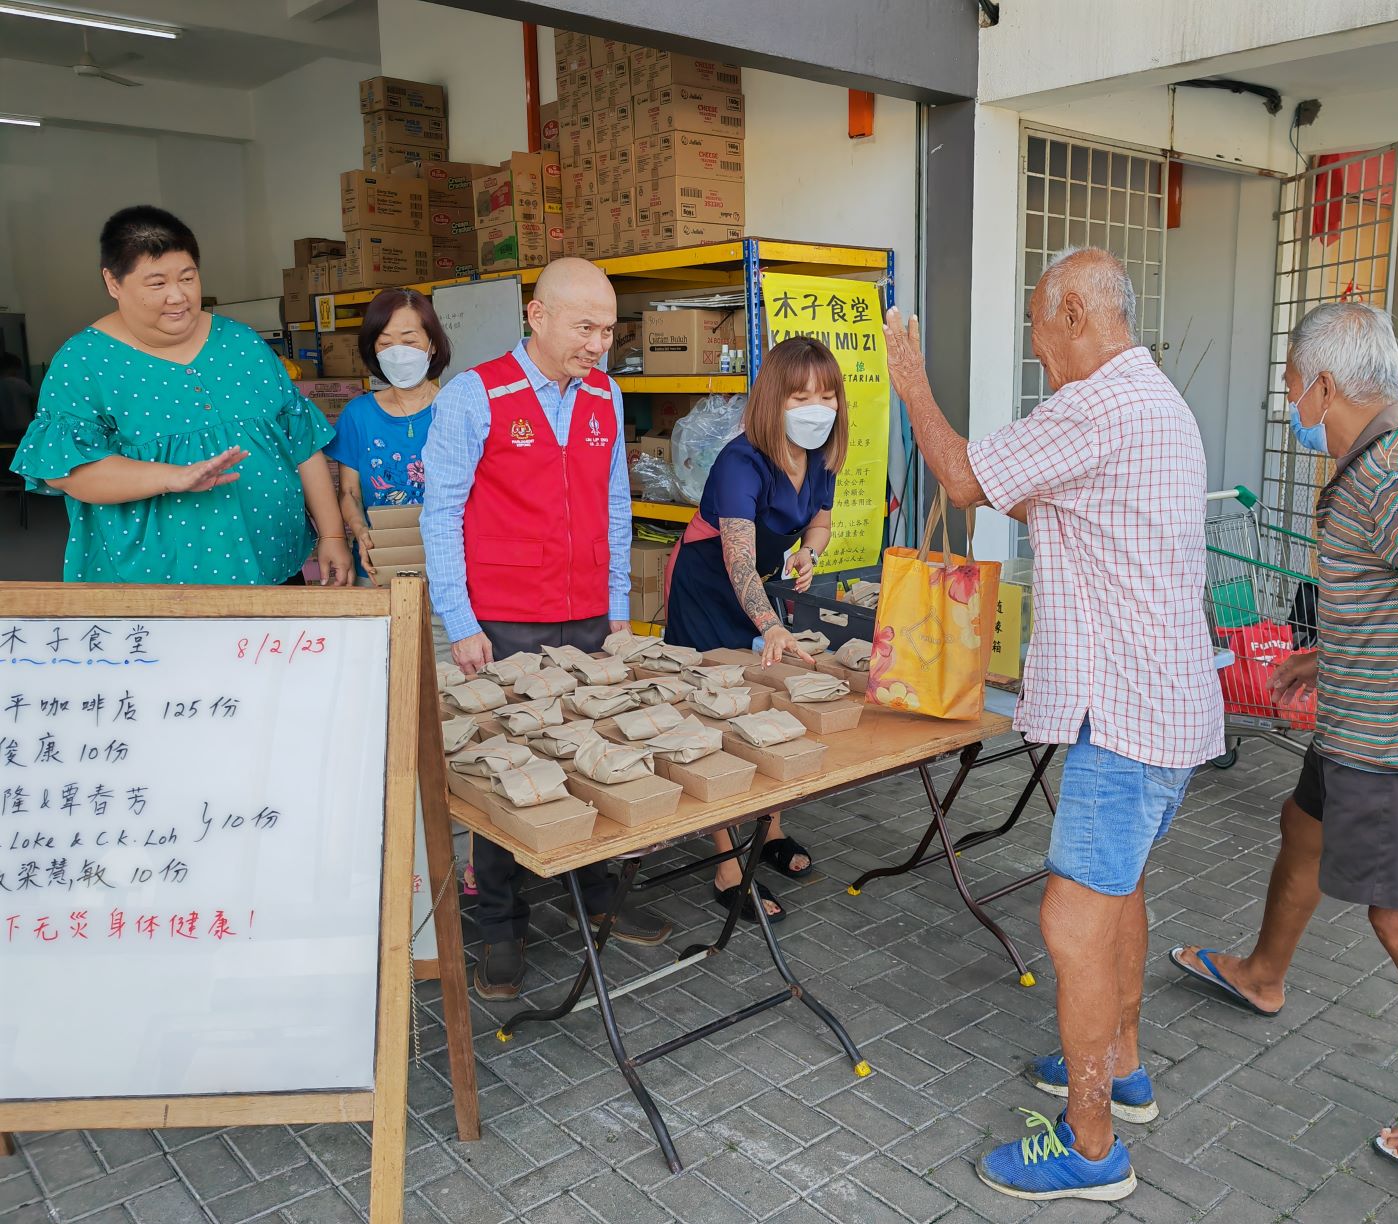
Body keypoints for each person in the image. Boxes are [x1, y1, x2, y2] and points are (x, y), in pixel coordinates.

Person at [1170, 302, 1398, 1192]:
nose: (1290, 400)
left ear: (1325, 385)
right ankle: (1263, 973)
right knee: (1302, 825)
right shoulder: (1376, 460)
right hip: (1354, 723)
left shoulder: (1391, 475)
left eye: (1292, 385)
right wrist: (1323, 651)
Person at [882, 248, 1224, 1203]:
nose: (1036, 353)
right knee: (1116, 894)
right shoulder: (1151, 398)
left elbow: (958, 477)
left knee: (1071, 921)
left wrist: (909, 378)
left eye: (1038, 328)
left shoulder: (1097, 404)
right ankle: (1122, 1065)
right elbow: (1046, 495)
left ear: (1075, 313)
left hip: (1124, 716)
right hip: (1165, 706)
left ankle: (1090, 1144)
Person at [422, 257, 670, 1001]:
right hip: (502, 622)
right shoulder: (475, 396)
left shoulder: (606, 394)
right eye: (585, 326)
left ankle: (597, 896)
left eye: (608, 328)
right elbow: (442, 514)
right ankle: (500, 925)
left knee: (596, 758)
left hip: (588, 617)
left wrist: (619, 606)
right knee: (505, 775)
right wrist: (460, 621)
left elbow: (616, 504)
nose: (600, 342)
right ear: (537, 315)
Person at [8, 205, 350, 586]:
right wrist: (172, 477)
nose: (178, 296)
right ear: (113, 283)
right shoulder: (84, 363)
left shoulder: (242, 343)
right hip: (155, 585)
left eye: (188, 278)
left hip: (273, 567)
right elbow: (70, 473)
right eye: (157, 284)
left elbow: (300, 442)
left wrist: (332, 534)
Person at [665, 335, 845, 920]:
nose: (816, 408)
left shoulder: (818, 457)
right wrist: (770, 626)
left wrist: (808, 556)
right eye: (800, 396)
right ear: (773, 400)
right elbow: (738, 559)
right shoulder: (740, 462)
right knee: (714, 718)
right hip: (706, 589)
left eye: (826, 396)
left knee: (767, 712)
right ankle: (725, 863)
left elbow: (819, 518)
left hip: (757, 593)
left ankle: (767, 831)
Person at [325, 288, 449, 578]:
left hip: (448, 569)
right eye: (385, 343)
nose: (399, 353)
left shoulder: (456, 408)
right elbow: (349, 492)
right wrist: (360, 529)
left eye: (409, 341)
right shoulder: (358, 415)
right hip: (380, 565)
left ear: (432, 345)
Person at [0, 352, 36, 443]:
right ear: (13, 367)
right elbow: (36, 398)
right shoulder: (19, 383)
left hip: (6, 426)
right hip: (23, 424)